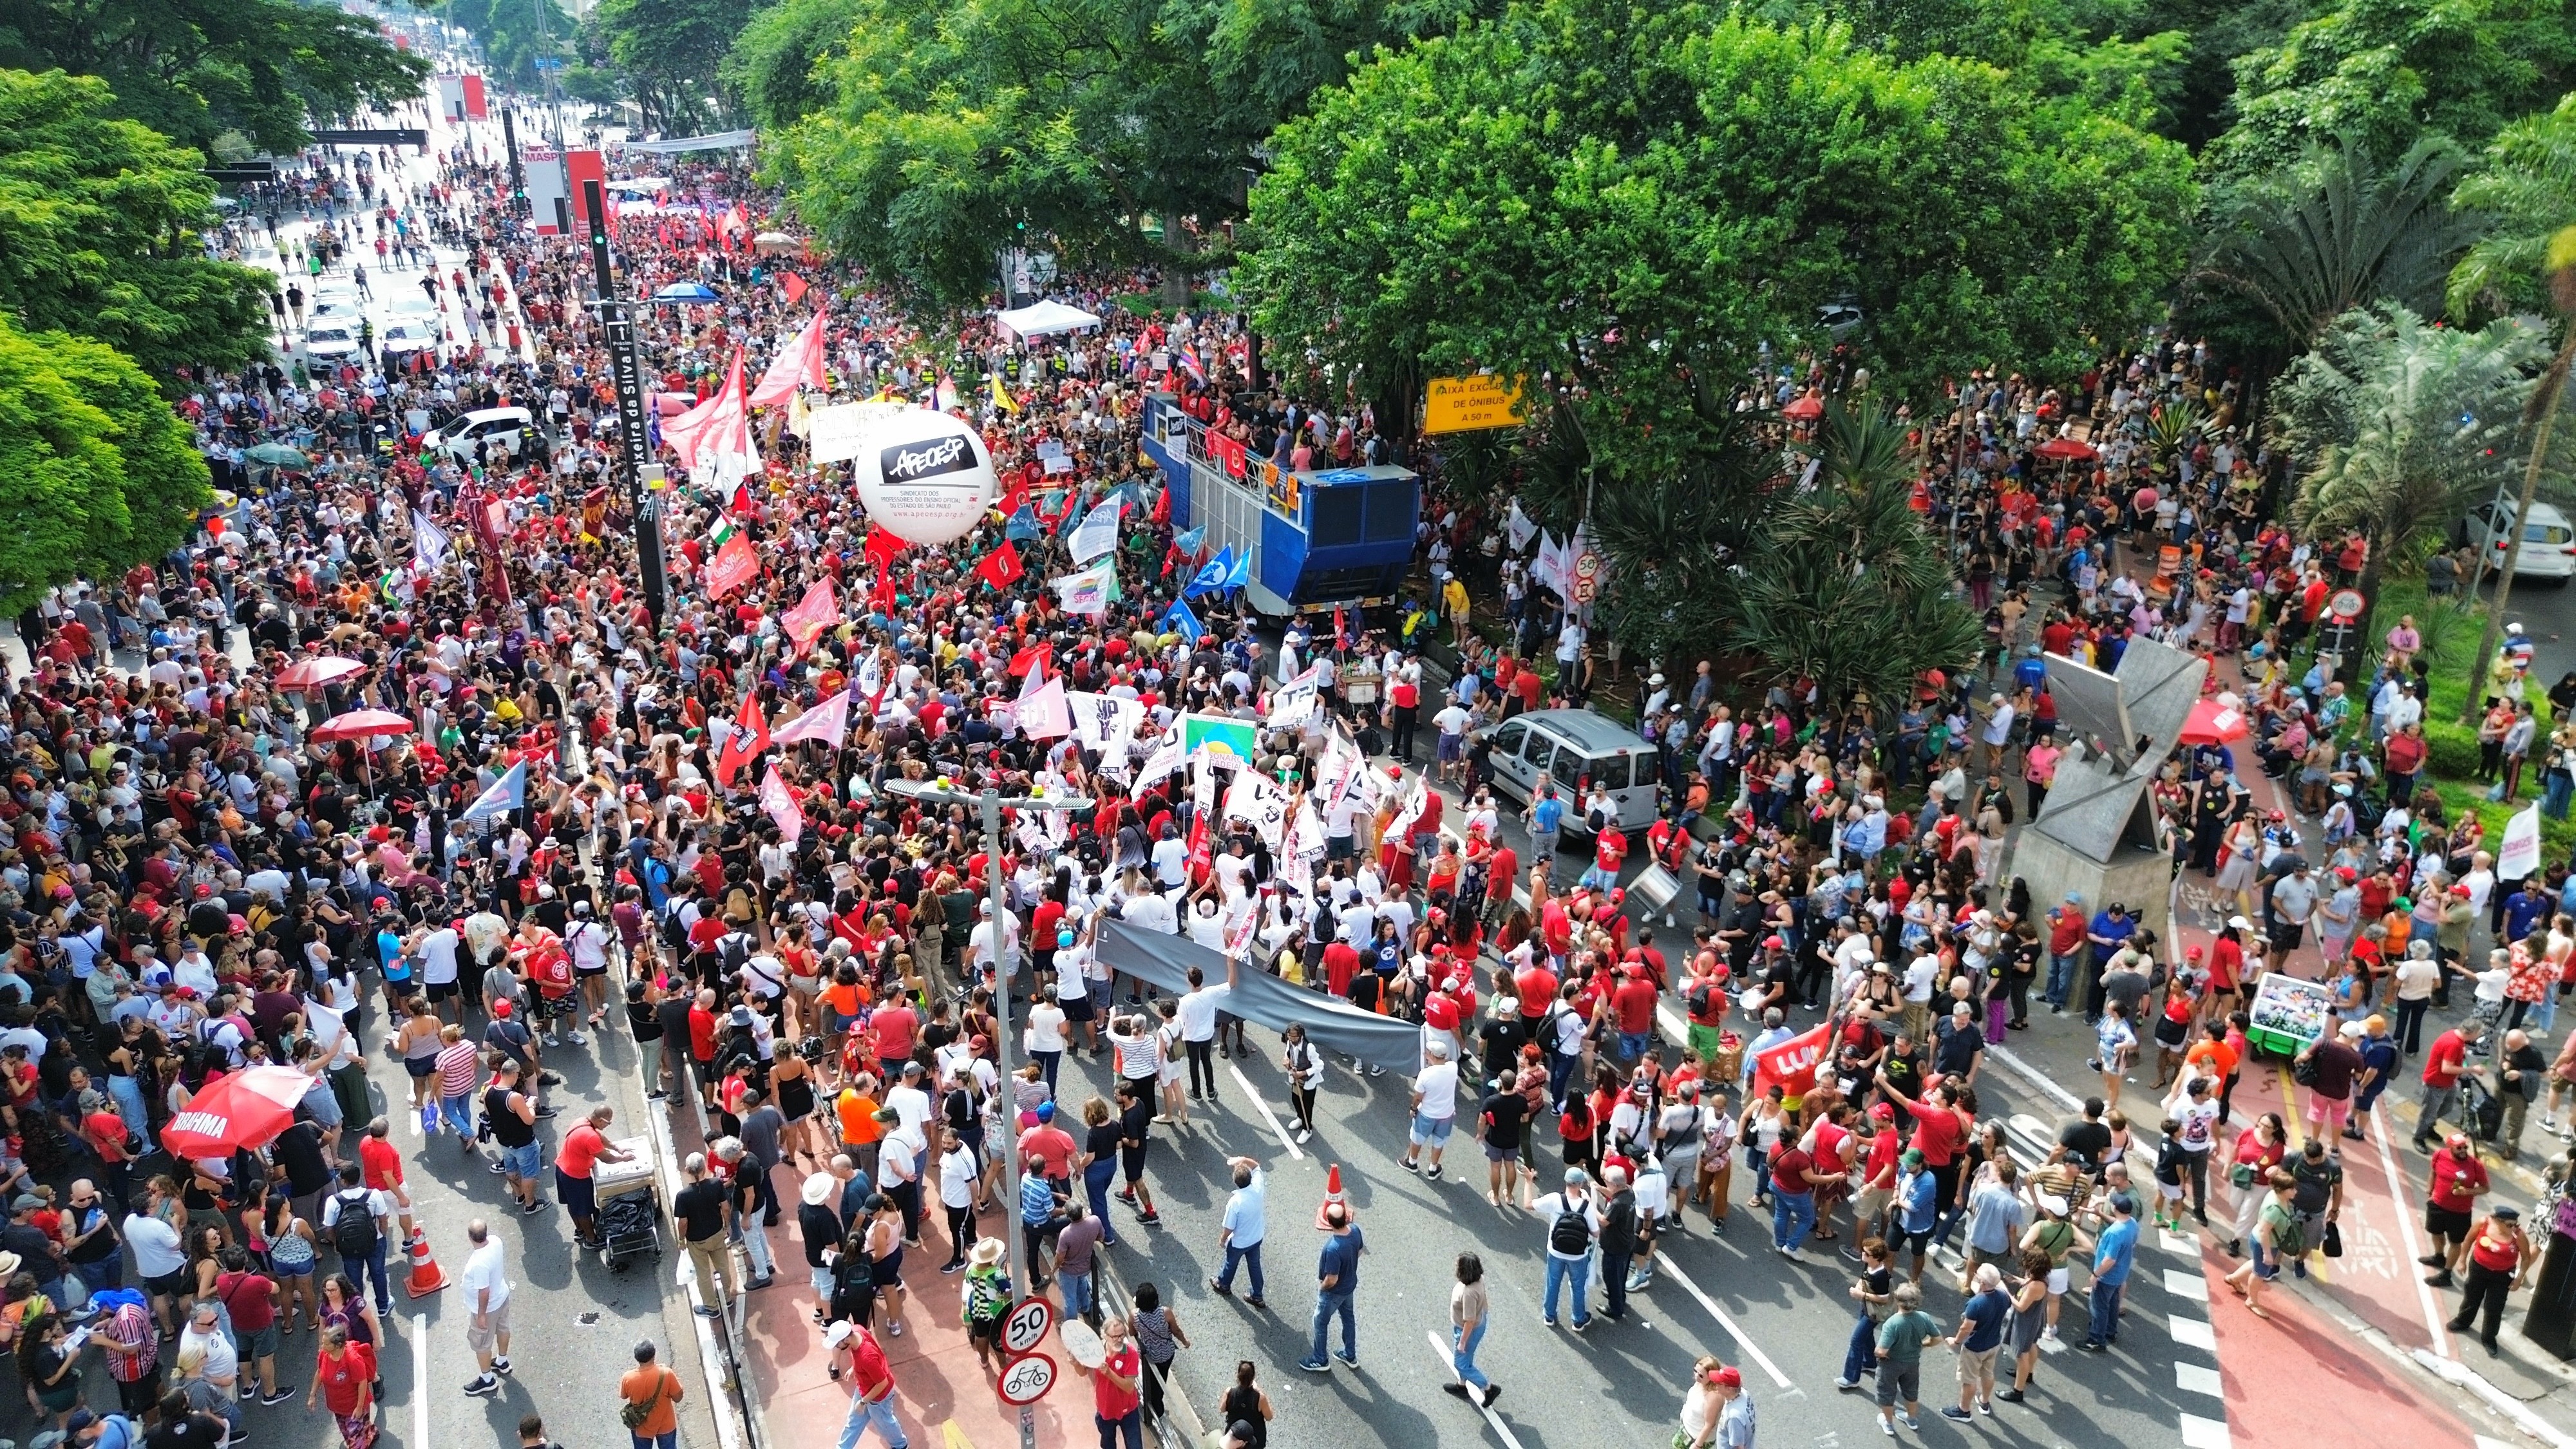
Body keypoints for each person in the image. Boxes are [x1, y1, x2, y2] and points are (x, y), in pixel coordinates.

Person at [2449, 1204, 2533, 1354]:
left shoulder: (2518, 1236)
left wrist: (2519, 1278)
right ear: (2497, 1221)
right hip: (2479, 1269)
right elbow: (2468, 1240)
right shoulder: (2483, 1224)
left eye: (2516, 1225)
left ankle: (2489, 1338)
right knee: (2472, 1297)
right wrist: (2462, 1260)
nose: (2513, 1228)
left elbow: (2526, 1258)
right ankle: (2462, 1322)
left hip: (2502, 1275)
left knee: (2494, 1307)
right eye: (2509, 1225)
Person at [1295, 1200, 1364, 1372]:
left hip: (1334, 1292)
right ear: (1346, 1218)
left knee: (1320, 1322)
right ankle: (1350, 1355)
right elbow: (1360, 1252)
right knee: (1348, 1318)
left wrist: (1322, 1287)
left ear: (1329, 1223)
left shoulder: (1333, 1248)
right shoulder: (1355, 1230)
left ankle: (1320, 1359)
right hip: (1350, 1285)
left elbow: (1332, 1279)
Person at [558, 1105, 636, 1250]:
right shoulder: (590, 1137)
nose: (607, 1125)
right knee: (584, 1211)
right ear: (601, 1120)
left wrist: (615, 1147)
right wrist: (622, 1158)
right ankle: (592, 1240)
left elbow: (598, 1136)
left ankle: (580, 1231)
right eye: (608, 1123)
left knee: (573, 1204)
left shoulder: (582, 1122)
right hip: (576, 1177)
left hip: (562, 1168)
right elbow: (606, 1158)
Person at [1533, 1168, 1601, 1331]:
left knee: (1553, 1283)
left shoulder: (1555, 1199)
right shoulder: (1586, 1206)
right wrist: (1590, 1202)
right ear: (1581, 1184)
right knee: (1578, 1287)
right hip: (1578, 1255)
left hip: (1555, 1251)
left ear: (1566, 1181)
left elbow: (1529, 1204)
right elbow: (1596, 1232)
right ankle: (1579, 1320)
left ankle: (1549, 1315)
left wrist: (1529, 1181)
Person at [1941, 1262, 2011, 1420]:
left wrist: (1956, 1341)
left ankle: (1963, 1411)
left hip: (1975, 1347)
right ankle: (1984, 1402)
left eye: (1977, 1275)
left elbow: (1967, 1327)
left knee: (1969, 1380)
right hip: (1993, 1343)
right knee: (1987, 1373)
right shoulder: (2003, 1297)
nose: (1975, 1276)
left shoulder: (1976, 1303)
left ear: (1983, 1282)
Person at [826, 1320, 909, 1449]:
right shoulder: (858, 1330)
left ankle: (901, 1446)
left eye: (837, 1344)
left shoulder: (867, 1358)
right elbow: (863, 1355)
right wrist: (855, 1368)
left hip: (879, 1398)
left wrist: (864, 1402)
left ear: (845, 1341)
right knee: (854, 1421)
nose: (836, 1347)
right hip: (864, 1388)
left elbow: (883, 1383)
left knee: (886, 1424)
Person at [1874, 1282, 1942, 1435]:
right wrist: (1923, 1345)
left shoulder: (1892, 1323)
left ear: (1897, 1300)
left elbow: (1881, 1350)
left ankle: (1888, 1423)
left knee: (1886, 1393)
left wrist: (1880, 1353)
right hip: (1912, 1363)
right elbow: (1937, 1339)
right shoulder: (1924, 1318)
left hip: (1891, 1364)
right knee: (1911, 1391)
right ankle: (1911, 1419)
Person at [2077, 1194, 2139, 1350]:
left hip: (2107, 1276)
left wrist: (2096, 1274)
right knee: (2113, 1304)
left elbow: (2109, 1260)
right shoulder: (2132, 1224)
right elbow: (2117, 1222)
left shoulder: (2115, 1233)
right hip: (2120, 1274)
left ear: (2115, 1208)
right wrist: (2100, 1214)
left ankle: (2096, 1339)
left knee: (2099, 1307)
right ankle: (2110, 1331)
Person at [459, 1218, 513, 1396]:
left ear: (470, 1237)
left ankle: (487, 1380)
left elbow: (484, 1291)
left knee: (482, 1344)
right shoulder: (496, 1241)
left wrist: (481, 1315)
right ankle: (502, 1362)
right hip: (502, 1297)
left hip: (487, 1309)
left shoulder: (479, 1263)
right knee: (504, 1328)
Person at [1835, 1237, 1896, 1391]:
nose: (1863, 1254)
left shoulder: (1881, 1276)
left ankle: (1851, 1378)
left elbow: (1884, 1299)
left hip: (1873, 1313)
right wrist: (1859, 1288)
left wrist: (1861, 1295)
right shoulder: (1870, 1265)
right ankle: (1870, 1363)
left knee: (1856, 1341)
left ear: (1876, 1258)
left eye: (1867, 1253)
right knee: (1866, 1336)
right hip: (1867, 1308)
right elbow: (1864, 1279)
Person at [307, 1322, 377, 1449]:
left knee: (355, 1444)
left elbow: (362, 1382)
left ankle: (364, 1439)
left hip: (353, 1407)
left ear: (338, 1345)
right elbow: (319, 1373)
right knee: (347, 1434)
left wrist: (360, 1407)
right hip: (337, 1407)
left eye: (326, 1344)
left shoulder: (353, 1359)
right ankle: (370, 1433)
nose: (322, 1347)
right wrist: (312, 1395)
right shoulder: (325, 1354)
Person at [1209, 1155, 1266, 1305]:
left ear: (1235, 1182)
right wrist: (1243, 1159)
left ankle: (1223, 1283)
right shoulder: (1258, 1188)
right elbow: (1257, 1167)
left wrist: (1223, 1239)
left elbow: (1229, 1227)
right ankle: (1257, 1295)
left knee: (1231, 1263)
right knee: (1255, 1265)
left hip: (1240, 1241)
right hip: (1257, 1236)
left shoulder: (1235, 1202)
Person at [1086, 1313, 1146, 1449]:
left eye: (1122, 1335)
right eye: (1115, 1336)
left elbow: (1129, 1387)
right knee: (1107, 1445)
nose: (1119, 1340)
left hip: (1128, 1411)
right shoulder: (1097, 1350)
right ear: (1105, 1335)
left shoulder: (1128, 1352)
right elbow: (1083, 1371)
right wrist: (1075, 1363)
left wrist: (1109, 1373)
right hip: (1105, 1410)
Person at [1446, 1251, 1497, 1406]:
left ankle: (1488, 1388)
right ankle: (1462, 1385)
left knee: (1460, 1363)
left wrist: (1462, 1342)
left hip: (1467, 1330)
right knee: (1466, 1360)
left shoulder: (1468, 1294)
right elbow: (1484, 1297)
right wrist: (1485, 1309)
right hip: (1477, 1323)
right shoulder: (1479, 1279)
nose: (1455, 1266)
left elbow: (1470, 1321)